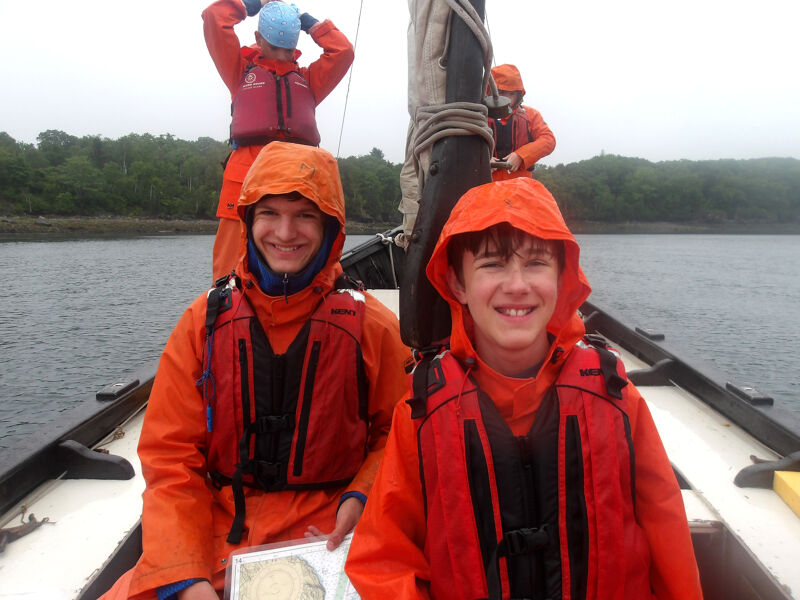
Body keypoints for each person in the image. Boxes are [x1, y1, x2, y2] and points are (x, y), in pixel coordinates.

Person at [345, 178, 703, 599]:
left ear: (562, 277)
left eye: (536, 263)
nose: (517, 285)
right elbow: (386, 562)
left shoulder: (615, 395)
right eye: (492, 264)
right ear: (458, 284)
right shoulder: (421, 414)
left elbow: (667, 533)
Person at [100, 142, 410, 600]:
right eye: (269, 212)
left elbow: (399, 432)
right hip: (215, 530)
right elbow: (171, 459)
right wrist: (185, 576)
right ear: (248, 220)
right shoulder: (202, 323)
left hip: (328, 533)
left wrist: (361, 495)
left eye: (306, 214)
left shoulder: (374, 327)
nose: (286, 232)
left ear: (330, 227)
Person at [203, 0, 354, 282]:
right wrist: (253, 4)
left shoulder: (307, 80)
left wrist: (308, 21)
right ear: (258, 39)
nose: (283, 56)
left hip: (299, 174)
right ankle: (224, 315)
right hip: (245, 172)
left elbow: (342, 51)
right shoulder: (239, 70)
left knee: (307, 249)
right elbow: (215, 17)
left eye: (288, 49)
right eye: (275, 47)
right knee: (230, 266)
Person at [489, 64, 556, 181]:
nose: (507, 98)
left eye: (512, 93)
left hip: (521, 187)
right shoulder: (478, 116)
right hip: (485, 184)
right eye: (501, 92)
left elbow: (548, 140)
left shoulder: (531, 115)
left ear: (519, 95)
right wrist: (481, 160)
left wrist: (521, 155)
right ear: (491, 91)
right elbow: (463, 144)